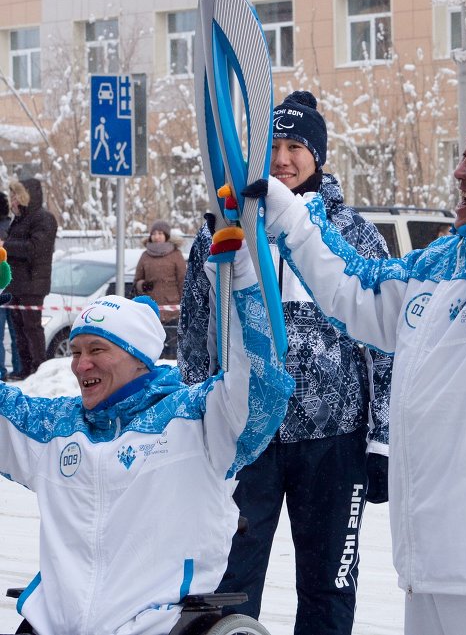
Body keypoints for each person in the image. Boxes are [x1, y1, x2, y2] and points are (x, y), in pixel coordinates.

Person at [258, 100, 466, 635]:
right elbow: (355, 288)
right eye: (461, 155)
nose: (458, 170)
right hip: (430, 559)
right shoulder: (439, 262)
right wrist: (290, 214)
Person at [179, 91, 392, 635]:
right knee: (228, 583)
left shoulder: (354, 234)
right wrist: (195, 421)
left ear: (317, 155)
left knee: (328, 584)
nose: (281, 159)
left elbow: (387, 344)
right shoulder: (219, 232)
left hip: (334, 439)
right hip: (246, 435)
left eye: (295, 145)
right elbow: (196, 337)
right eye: (271, 146)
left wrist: (382, 439)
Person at [0, 251, 294, 634]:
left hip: (155, 626)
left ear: (138, 358)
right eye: (75, 352)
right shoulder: (55, 428)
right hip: (52, 626)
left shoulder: (196, 419)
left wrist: (241, 279)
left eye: (97, 350)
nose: (80, 364)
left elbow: (260, 382)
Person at [4, 179, 57, 380]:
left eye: (16, 195)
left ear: (26, 195)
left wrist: (6, 245)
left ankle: (39, 369)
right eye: (11, 196)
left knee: (32, 328)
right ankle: (24, 369)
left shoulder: (44, 218)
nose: (13, 200)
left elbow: (35, 248)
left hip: (33, 284)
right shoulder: (18, 219)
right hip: (15, 283)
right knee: (18, 330)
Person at [134, 219, 186, 359]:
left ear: (166, 236)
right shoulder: (145, 256)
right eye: (154, 233)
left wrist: (185, 304)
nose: (157, 236)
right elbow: (137, 280)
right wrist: (142, 285)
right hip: (151, 311)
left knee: (173, 351)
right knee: (154, 350)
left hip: (173, 312)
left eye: (160, 233)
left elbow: (183, 281)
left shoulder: (176, 255)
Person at [0, 191, 21, 380]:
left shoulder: (10, 226)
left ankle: (2, 371)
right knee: (15, 335)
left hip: (8, 286)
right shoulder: (12, 224)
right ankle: (17, 368)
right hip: (15, 287)